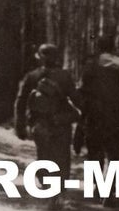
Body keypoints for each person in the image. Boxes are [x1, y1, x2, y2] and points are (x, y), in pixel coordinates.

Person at [14, 43, 81, 197]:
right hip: (61, 123)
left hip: (40, 124)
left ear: (39, 58)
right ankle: (58, 193)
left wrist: (20, 125)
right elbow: (76, 99)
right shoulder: (65, 76)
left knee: (43, 156)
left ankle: (47, 188)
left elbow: (21, 101)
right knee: (62, 158)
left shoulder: (31, 76)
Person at [79, 35, 119, 169]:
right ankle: (111, 185)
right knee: (114, 152)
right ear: (113, 47)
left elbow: (83, 91)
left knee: (94, 150)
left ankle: (97, 184)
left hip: (94, 114)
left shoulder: (89, 66)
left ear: (98, 47)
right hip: (115, 113)